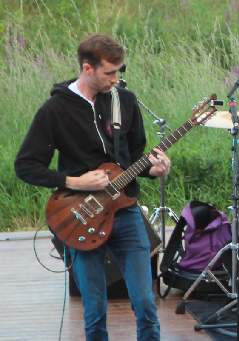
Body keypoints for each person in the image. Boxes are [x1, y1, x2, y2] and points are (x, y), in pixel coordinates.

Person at [14, 34, 167, 341]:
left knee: (146, 302)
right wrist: (74, 181)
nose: (116, 79)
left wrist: (155, 168)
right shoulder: (54, 110)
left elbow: (135, 155)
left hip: (125, 212)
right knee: (94, 307)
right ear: (88, 68)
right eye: (110, 72)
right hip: (80, 215)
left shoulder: (125, 101)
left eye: (119, 71)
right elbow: (26, 165)